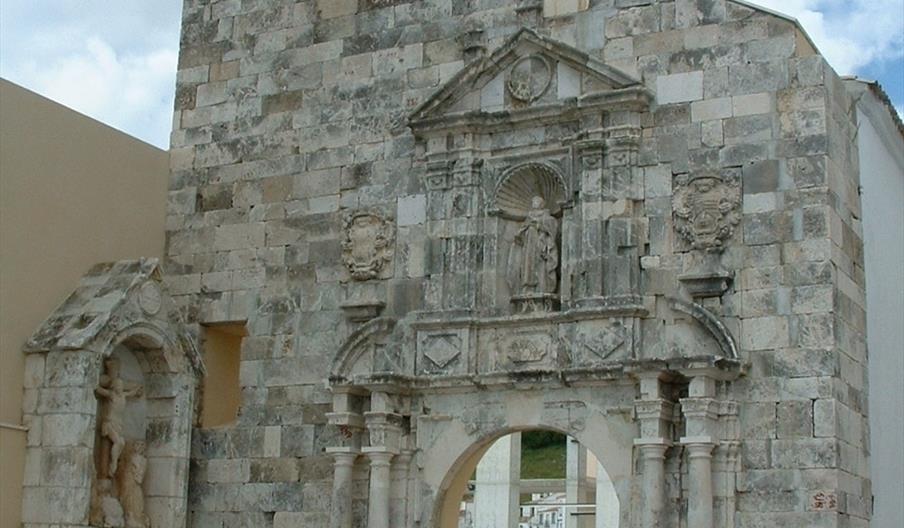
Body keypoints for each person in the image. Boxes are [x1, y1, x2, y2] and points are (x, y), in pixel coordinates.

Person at [95, 357, 142, 477]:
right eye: (118, 386)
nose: (120, 387)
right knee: (119, 442)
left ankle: (114, 461)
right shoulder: (111, 395)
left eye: (121, 386)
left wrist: (137, 388)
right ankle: (113, 463)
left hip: (118, 423)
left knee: (120, 442)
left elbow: (132, 392)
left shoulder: (123, 396)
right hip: (109, 422)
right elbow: (98, 389)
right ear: (114, 387)